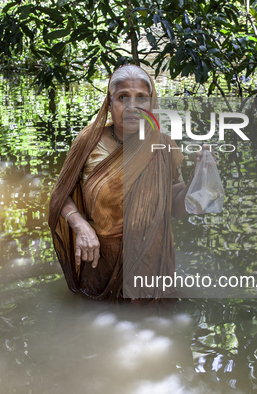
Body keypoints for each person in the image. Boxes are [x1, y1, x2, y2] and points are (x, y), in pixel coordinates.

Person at [48, 64, 211, 301]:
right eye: (123, 97)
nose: (132, 107)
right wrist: (80, 225)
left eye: (141, 98)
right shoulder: (89, 142)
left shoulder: (163, 146)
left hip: (150, 264)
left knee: (152, 319)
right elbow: (60, 196)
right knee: (95, 323)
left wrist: (198, 179)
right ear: (110, 103)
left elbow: (177, 209)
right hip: (99, 262)